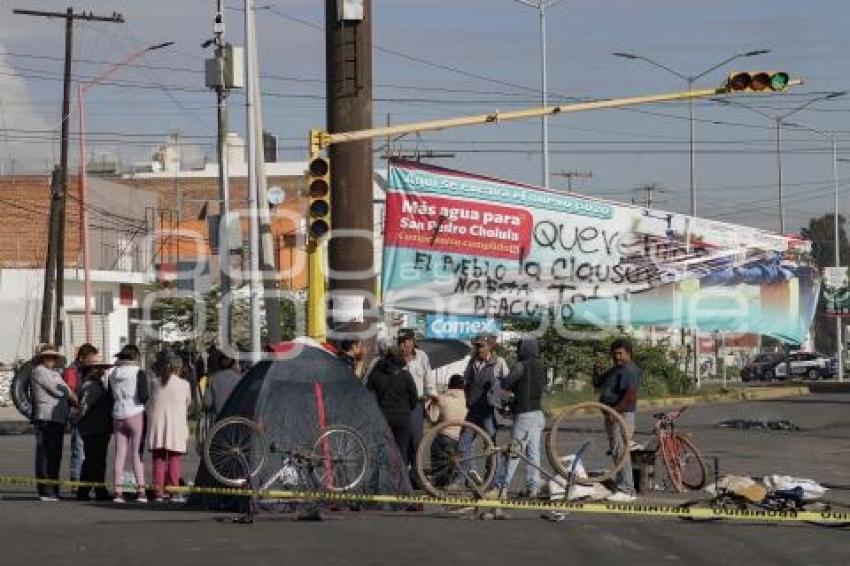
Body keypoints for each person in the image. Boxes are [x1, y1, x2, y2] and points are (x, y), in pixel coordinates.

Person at [488, 336, 547, 516]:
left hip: (524, 414)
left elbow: (507, 383)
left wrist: (503, 386)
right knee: (533, 452)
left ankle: (500, 488)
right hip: (538, 413)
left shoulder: (522, 366)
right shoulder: (541, 366)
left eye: (520, 347)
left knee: (513, 452)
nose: (518, 351)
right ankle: (533, 487)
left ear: (525, 349)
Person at [592, 338, 641, 503]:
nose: (617, 357)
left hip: (623, 415)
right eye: (614, 354)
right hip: (612, 415)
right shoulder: (616, 369)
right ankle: (623, 486)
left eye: (620, 353)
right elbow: (597, 383)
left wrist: (616, 411)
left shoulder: (630, 370)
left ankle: (627, 489)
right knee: (616, 451)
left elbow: (630, 395)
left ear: (629, 353)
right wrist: (595, 370)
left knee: (621, 452)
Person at [30, 345, 77, 501]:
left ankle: (53, 489)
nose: (52, 360)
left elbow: (66, 390)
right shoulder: (39, 371)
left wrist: (70, 393)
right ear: (43, 358)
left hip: (57, 418)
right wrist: (70, 393)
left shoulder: (54, 373)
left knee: (55, 455)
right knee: (46, 455)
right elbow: (59, 390)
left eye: (54, 357)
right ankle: (46, 490)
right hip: (46, 418)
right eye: (49, 357)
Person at [147, 353, 192, 502]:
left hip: (158, 426)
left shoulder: (154, 382)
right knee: (174, 460)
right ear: (178, 368)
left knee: (158, 460)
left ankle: (159, 493)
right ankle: (173, 492)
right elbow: (188, 404)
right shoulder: (184, 384)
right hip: (176, 426)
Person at [108, 345, 148, 503]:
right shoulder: (138, 372)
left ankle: (118, 492)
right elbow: (144, 395)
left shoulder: (113, 373)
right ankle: (141, 492)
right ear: (134, 357)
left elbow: (109, 396)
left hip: (118, 414)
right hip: (135, 412)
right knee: (136, 454)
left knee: (119, 455)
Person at [367, 346, 418, 463]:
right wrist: (407, 409)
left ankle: (383, 478)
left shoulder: (376, 374)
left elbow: (369, 395)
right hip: (402, 417)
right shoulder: (406, 376)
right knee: (401, 451)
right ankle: (401, 479)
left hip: (383, 417)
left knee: (382, 450)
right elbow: (414, 398)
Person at [74, 354, 113, 501]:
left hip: (99, 427)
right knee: (93, 460)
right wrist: (77, 419)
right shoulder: (91, 385)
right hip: (93, 428)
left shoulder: (95, 383)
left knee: (96, 459)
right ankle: (89, 490)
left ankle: (91, 489)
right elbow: (84, 406)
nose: (102, 371)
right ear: (92, 369)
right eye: (100, 368)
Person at [397, 329, 435, 470]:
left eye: (405, 342)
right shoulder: (395, 357)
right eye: (400, 342)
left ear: (413, 342)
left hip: (416, 405)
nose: (403, 346)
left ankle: (416, 472)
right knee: (401, 440)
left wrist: (433, 396)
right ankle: (402, 473)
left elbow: (428, 377)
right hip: (399, 404)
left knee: (416, 439)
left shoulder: (422, 356)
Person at [62, 343, 98, 482]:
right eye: (91, 359)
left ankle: (87, 479)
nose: (93, 362)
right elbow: (70, 391)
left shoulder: (88, 370)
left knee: (90, 450)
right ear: (82, 358)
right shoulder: (71, 370)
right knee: (79, 448)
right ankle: (76, 480)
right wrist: (81, 405)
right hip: (77, 413)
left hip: (89, 413)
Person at [462, 333, 508, 440]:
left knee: (490, 444)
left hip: (489, 410)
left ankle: (494, 457)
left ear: (490, 346)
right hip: (473, 409)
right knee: (464, 442)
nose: (479, 349)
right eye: (477, 346)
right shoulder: (472, 362)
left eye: (482, 346)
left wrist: (501, 401)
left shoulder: (499, 362)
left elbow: (507, 383)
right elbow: (466, 381)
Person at [429, 374, 467, 487]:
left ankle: (437, 483)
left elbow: (433, 418)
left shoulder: (442, 398)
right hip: (458, 437)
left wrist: (432, 404)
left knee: (438, 460)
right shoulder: (465, 400)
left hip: (443, 435)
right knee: (450, 463)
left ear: (449, 385)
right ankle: (449, 483)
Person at [202, 353, 241, 418]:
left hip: (219, 421)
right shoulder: (240, 379)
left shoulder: (212, 379)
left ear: (218, 364)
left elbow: (207, 402)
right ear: (233, 364)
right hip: (236, 419)